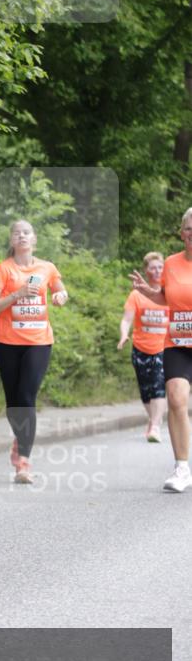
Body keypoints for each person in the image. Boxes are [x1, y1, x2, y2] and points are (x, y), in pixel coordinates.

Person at [0, 220, 68, 484]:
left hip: (39, 341)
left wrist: (60, 297)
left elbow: (61, 290)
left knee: (26, 396)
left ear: (34, 239)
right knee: (13, 403)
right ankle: (20, 440)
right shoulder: (3, 269)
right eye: (17, 233)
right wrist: (17, 294)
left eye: (27, 232)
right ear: (12, 240)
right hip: (8, 342)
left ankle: (24, 462)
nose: (22, 235)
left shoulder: (47, 268)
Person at [130, 208, 192, 492]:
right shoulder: (170, 263)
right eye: (189, 228)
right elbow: (167, 297)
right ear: (181, 233)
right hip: (178, 343)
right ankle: (182, 468)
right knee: (176, 399)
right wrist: (147, 292)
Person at [118, 252, 168, 442]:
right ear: (146, 271)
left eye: (160, 267)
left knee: (158, 386)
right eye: (153, 267)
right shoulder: (136, 295)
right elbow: (127, 319)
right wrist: (124, 334)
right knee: (145, 391)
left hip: (163, 348)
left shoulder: (168, 293)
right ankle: (154, 418)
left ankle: (155, 426)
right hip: (140, 348)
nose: (157, 271)